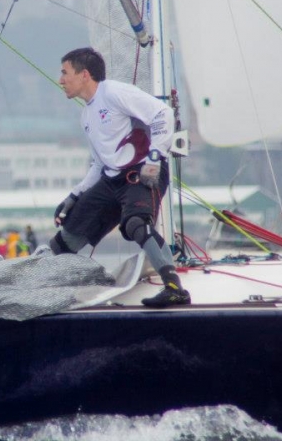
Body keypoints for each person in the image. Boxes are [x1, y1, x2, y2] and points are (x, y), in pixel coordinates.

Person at [50, 47, 191, 307]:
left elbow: (163, 114)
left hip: (142, 171)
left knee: (136, 223)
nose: (61, 80)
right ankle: (44, 290)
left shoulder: (114, 92)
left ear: (84, 74)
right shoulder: (86, 115)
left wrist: (154, 157)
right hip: (111, 179)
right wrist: (74, 195)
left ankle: (174, 288)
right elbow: (98, 164)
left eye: (65, 73)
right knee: (65, 238)